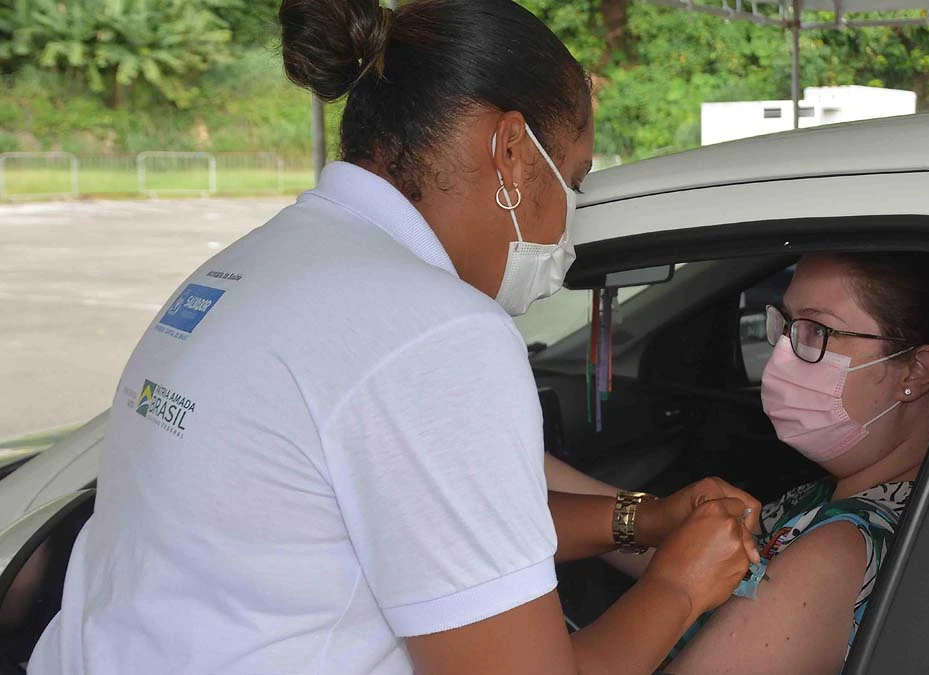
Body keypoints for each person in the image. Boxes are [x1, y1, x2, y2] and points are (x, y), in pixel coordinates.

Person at [27, 1, 760, 673]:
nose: (569, 223)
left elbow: (426, 521)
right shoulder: (436, 332)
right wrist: (678, 585)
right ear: (510, 152)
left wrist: (640, 520)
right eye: (572, 179)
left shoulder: (261, 263)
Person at [548, 253, 929, 675]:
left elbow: (692, 576)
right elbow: (707, 566)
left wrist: (670, 587)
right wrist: (533, 466)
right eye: (787, 325)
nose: (780, 356)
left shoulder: (838, 552)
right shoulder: (838, 496)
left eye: (817, 331)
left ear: (915, 373)